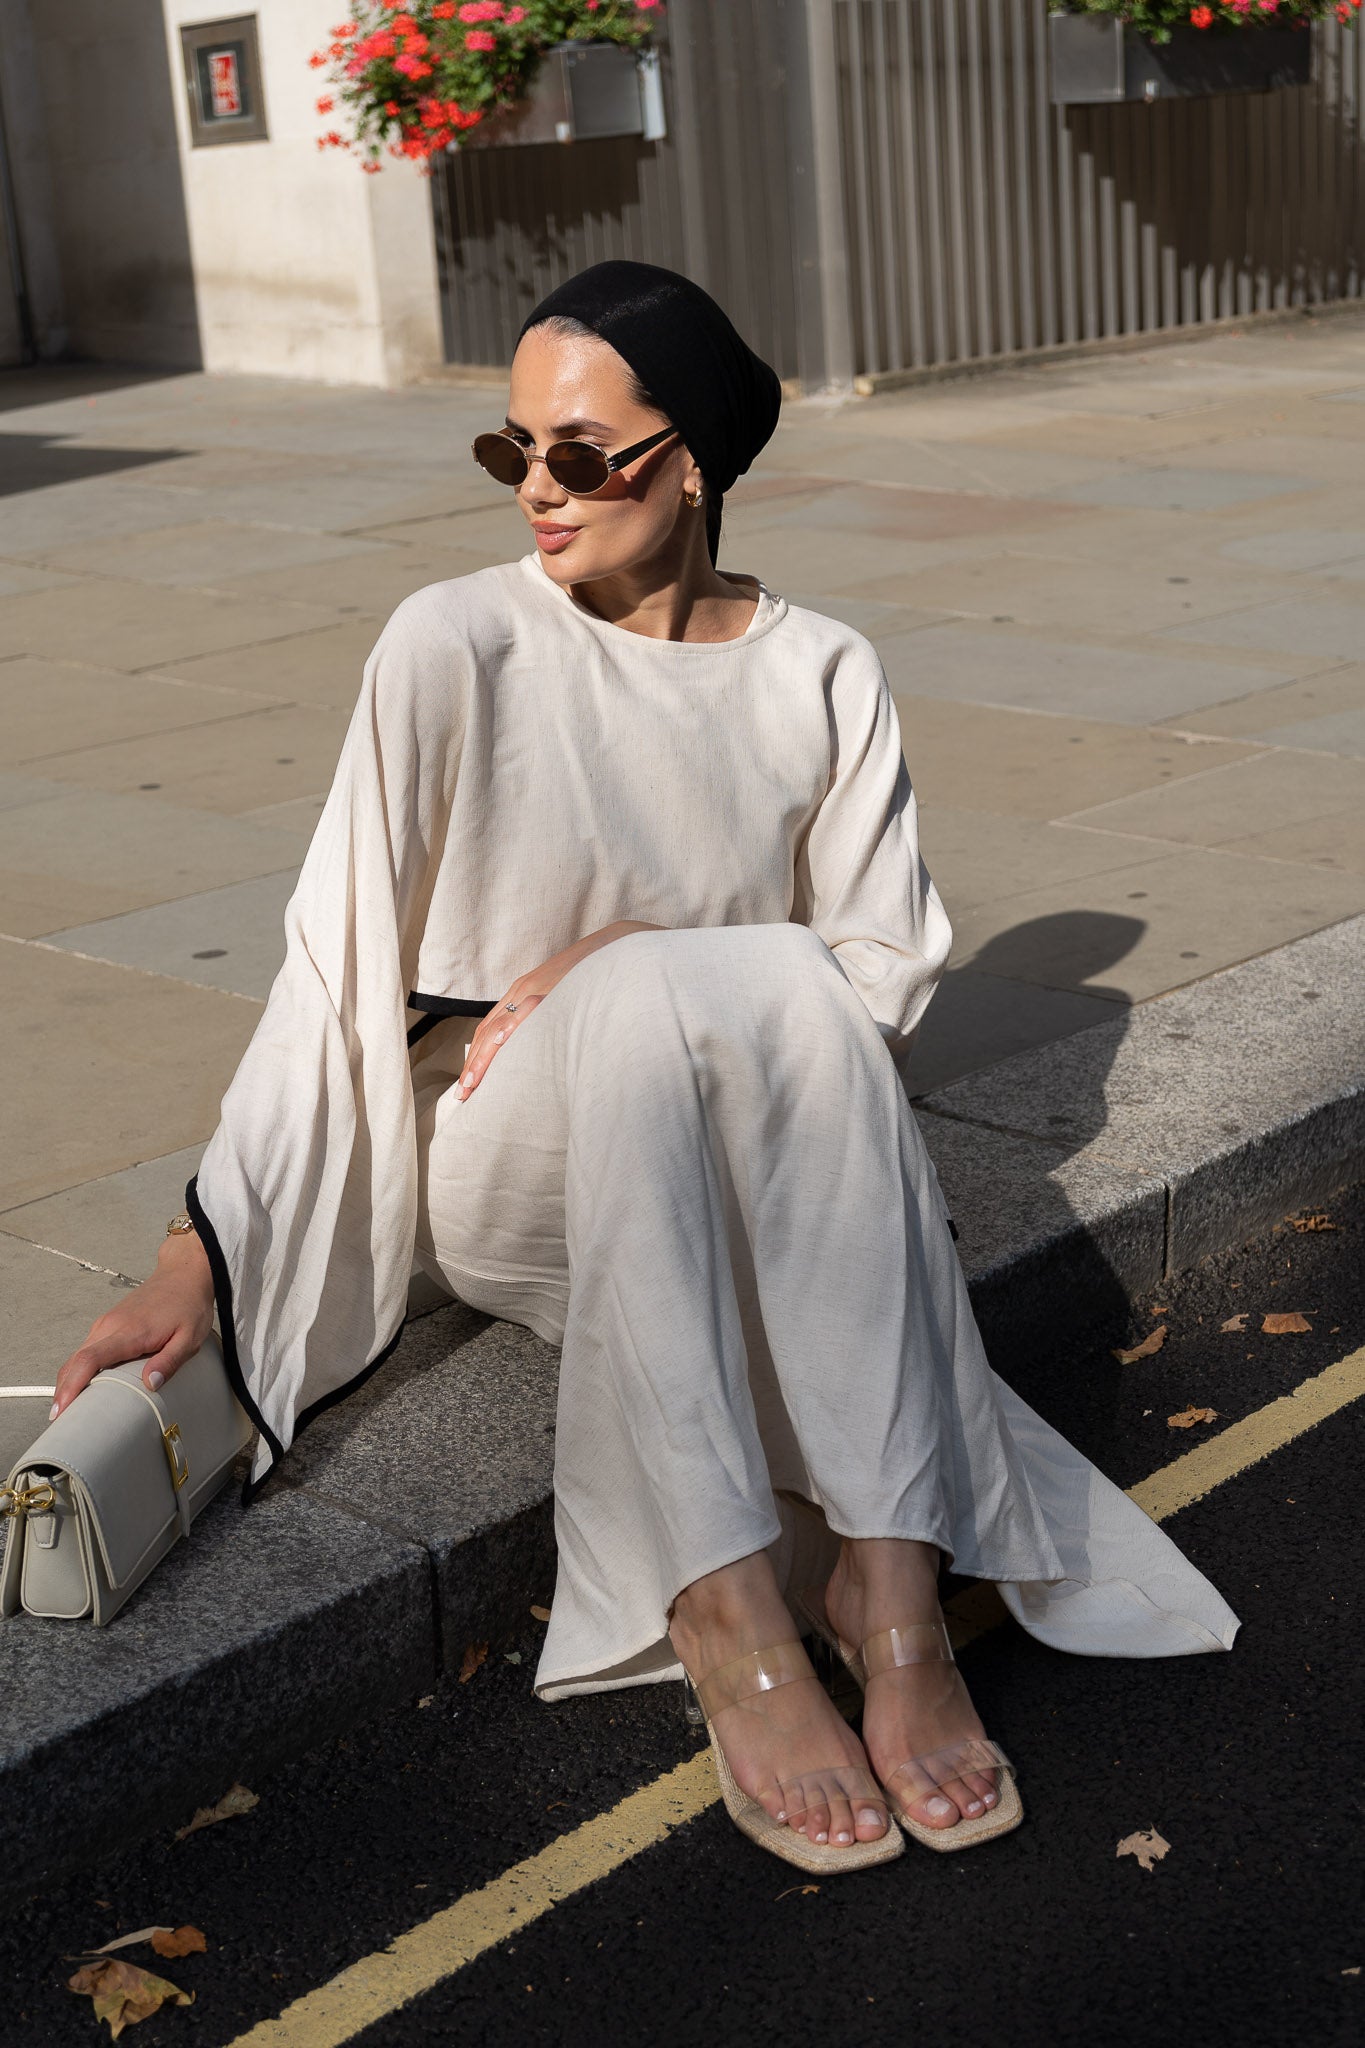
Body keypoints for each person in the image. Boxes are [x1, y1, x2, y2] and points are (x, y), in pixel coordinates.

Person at [48, 260, 1239, 1874]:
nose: (538, 489)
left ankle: (891, 1600)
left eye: (582, 452)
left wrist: (622, 953)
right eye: (511, 450)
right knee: (704, 993)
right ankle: (717, 1601)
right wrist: (198, 1253)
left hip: (750, 1136)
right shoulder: (452, 643)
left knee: (751, 991)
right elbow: (331, 969)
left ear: (694, 460)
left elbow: (881, 979)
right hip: (512, 1148)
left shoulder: (822, 669)